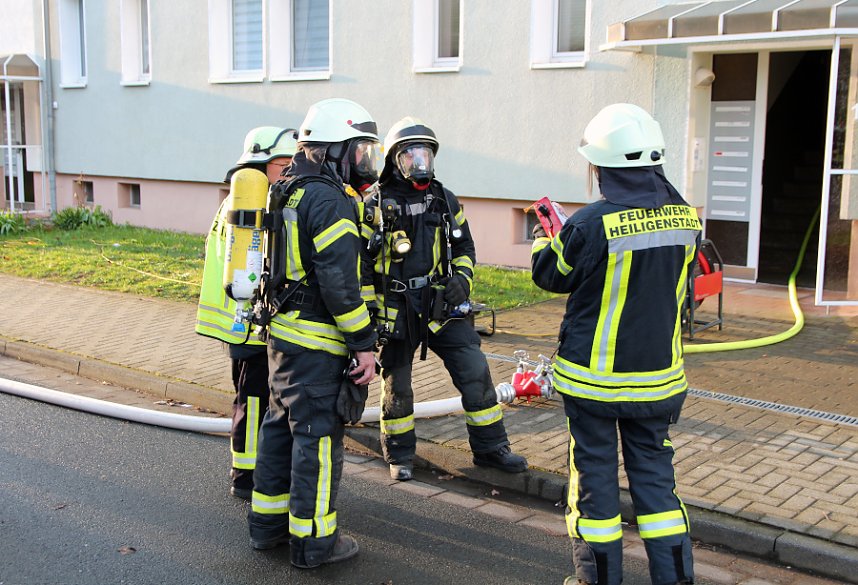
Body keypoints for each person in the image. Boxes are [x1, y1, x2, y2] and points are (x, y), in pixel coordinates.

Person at [530, 103, 699, 585]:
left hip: (595, 385)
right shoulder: (686, 219)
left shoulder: (590, 224)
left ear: (601, 165)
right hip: (657, 383)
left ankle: (596, 579)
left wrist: (550, 237)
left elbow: (552, 275)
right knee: (658, 489)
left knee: (596, 488)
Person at [247, 98, 379, 569]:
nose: (364, 162)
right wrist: (365, 346)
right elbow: (341, 286)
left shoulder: (288, 187)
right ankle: (315, 543)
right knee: (318, 440)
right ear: (331, 150)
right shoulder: (330, 200)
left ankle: (267, 526)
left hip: (283, 337)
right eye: (359, 150)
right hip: (319, 342)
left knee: (280, 427)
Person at [361, 116, 528, 481]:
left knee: (475, 371)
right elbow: (360, 264)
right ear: (394, 160)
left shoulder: (443, 199)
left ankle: (491, 450)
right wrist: (369, 315)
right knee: (398, 387)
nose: (420, 163)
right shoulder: (374, 205)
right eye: (411, 156)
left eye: (426, 154)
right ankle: (400, 455)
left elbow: (465, 245)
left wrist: (462, 281)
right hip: (396, 310)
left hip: (440, 305)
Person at [195, 126, 297, 500]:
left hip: (242, 321)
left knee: (249, 398)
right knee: (253, 400)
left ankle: (251, 469)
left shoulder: (240, 199)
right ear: (259, 166)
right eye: (282, 166)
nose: (288, 173)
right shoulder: (255, 203)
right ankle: (246, 475)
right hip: (249, 324)